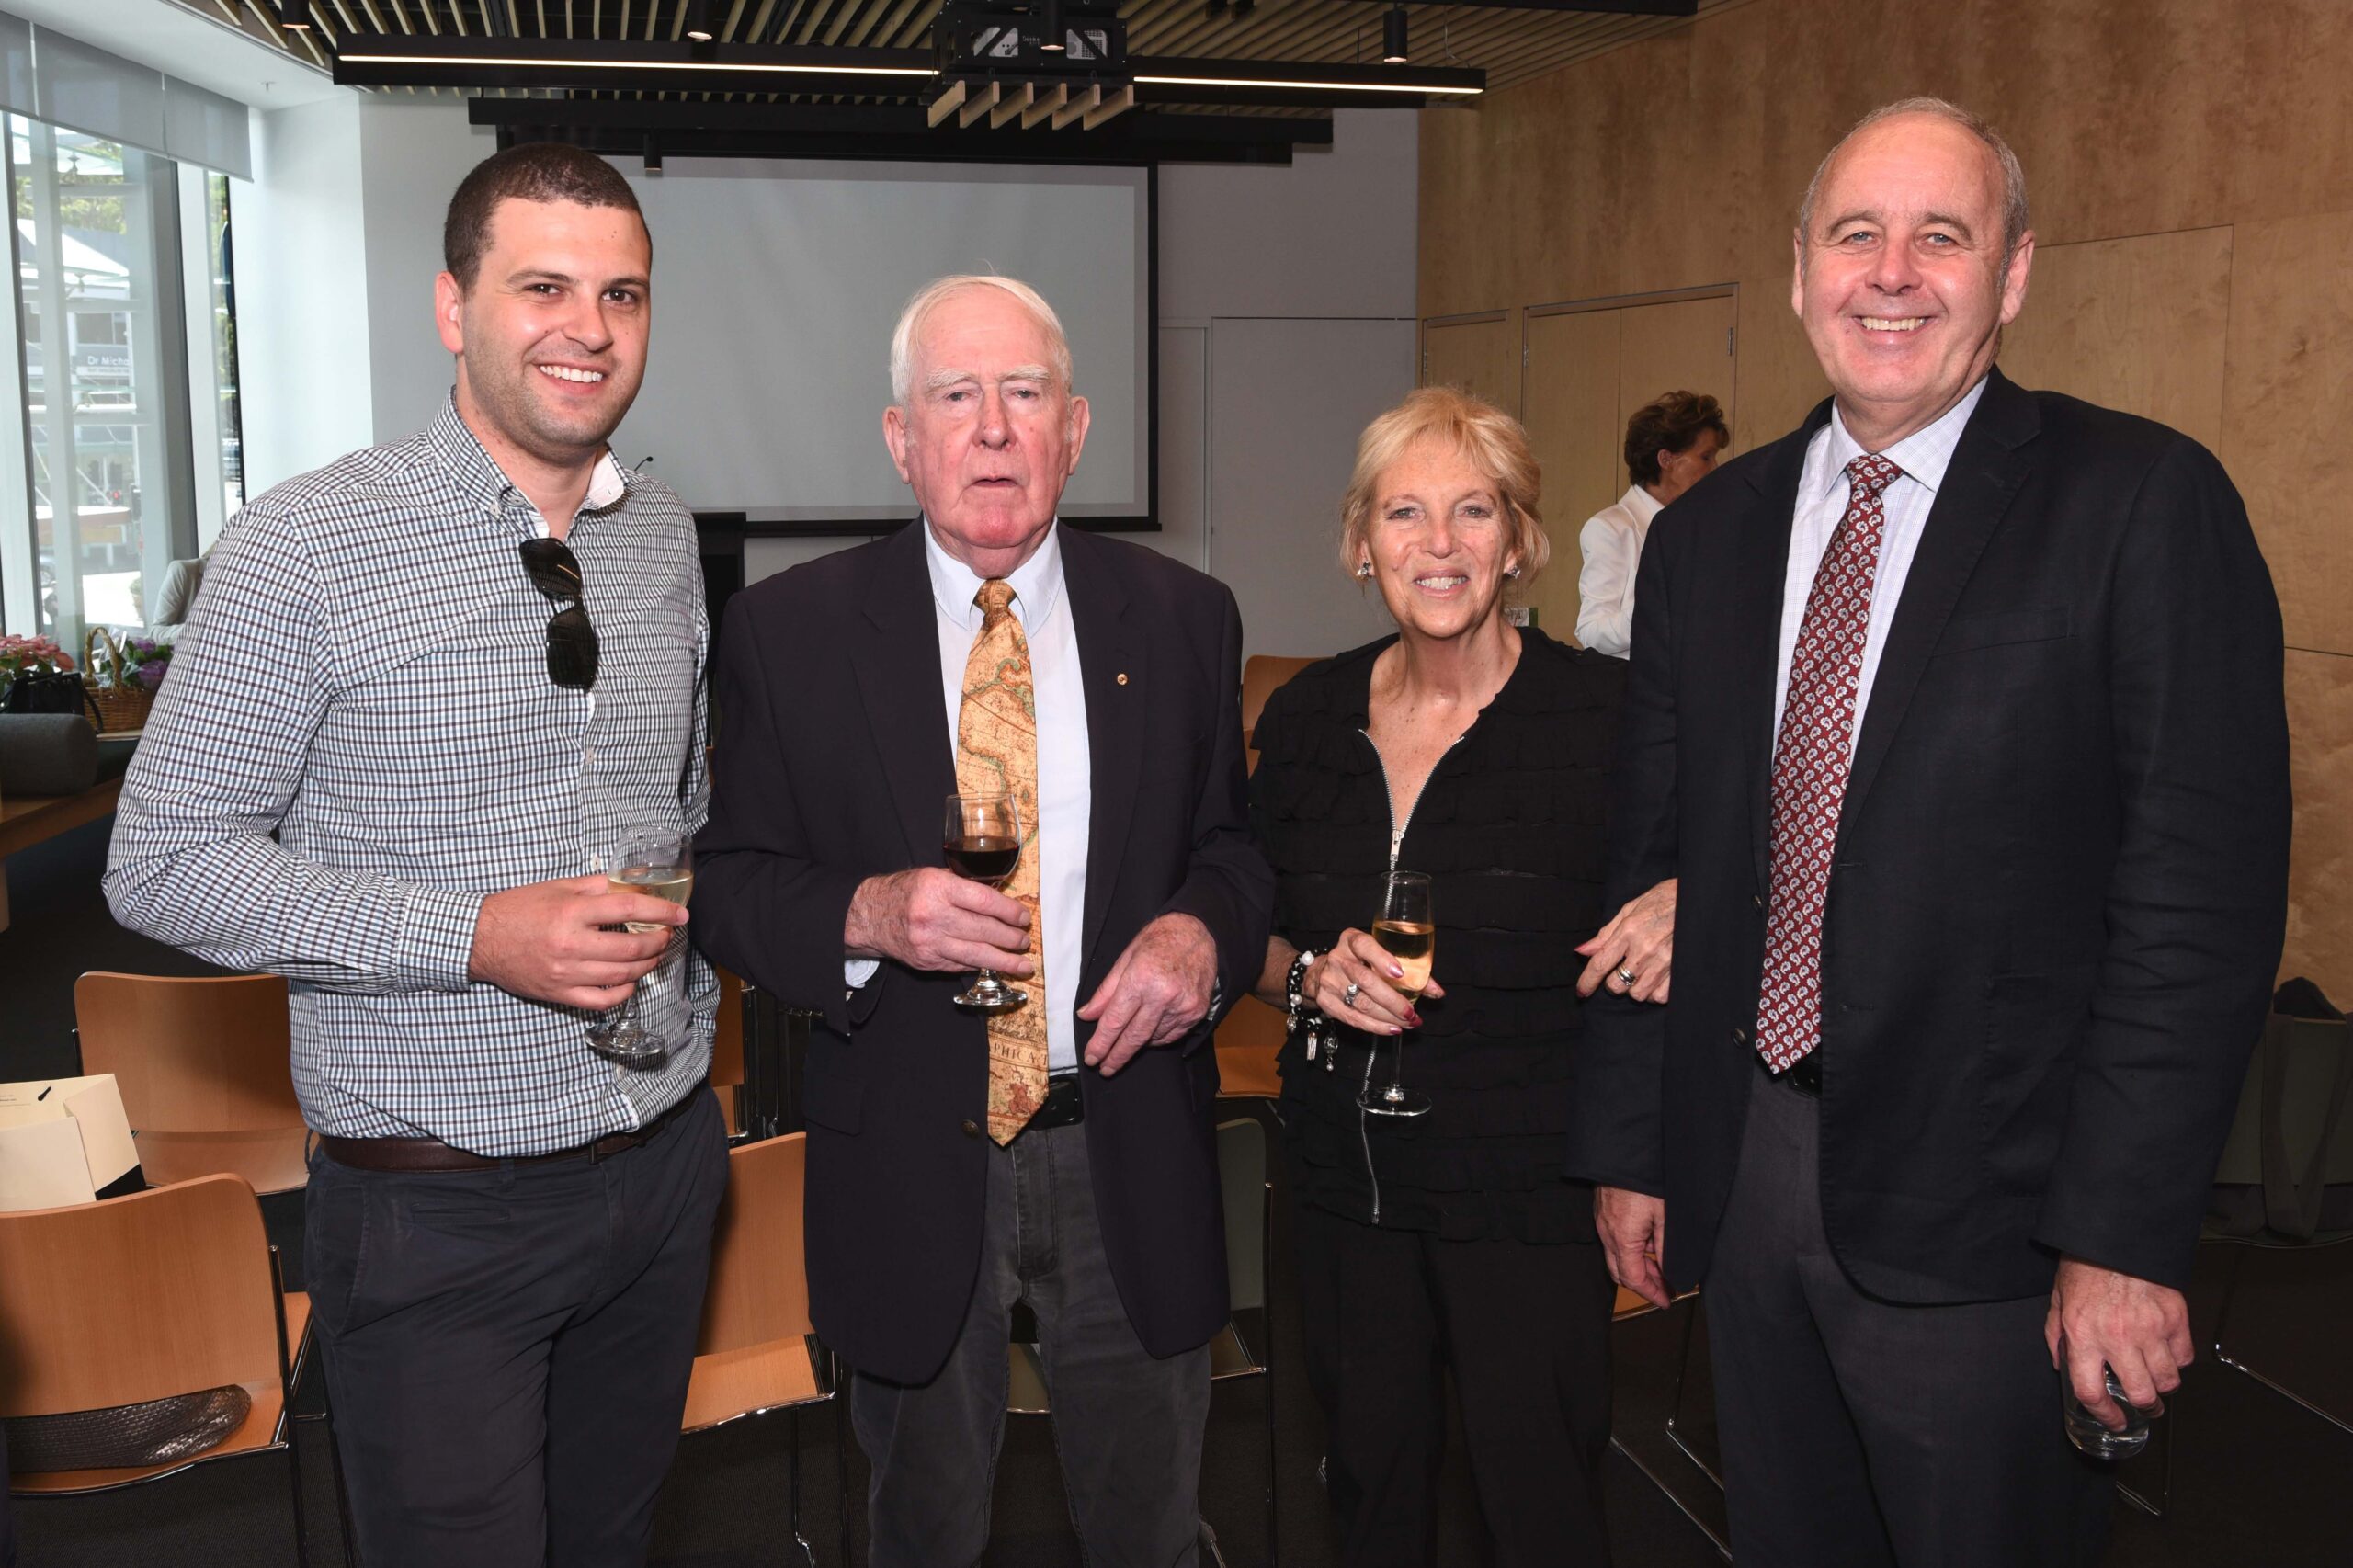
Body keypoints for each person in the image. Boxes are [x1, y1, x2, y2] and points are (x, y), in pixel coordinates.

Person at [1568, 97, 2290, 1567]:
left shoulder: (2141, 502)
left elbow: (2196, 909)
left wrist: (2122, 1237)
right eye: (1857, 234)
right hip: (1750, 1175)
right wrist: (1637, 1145)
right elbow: (1657, 864)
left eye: (1941, 236)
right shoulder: (1706, 538)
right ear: (1800, 270)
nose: (1891, 273)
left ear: (2012, 274)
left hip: (2000, 1221)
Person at [105, 142, 725, 1568]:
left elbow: (678, 806)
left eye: (622, 294)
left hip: (664, 1163)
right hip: (438, 1206)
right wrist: (474, 934)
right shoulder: (305, 545)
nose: (588, 327)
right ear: (453, 306)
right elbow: (162, 859)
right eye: (543, 287)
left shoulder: (662, 540)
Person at [692, 274, 1271, 1567]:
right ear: (902, 438)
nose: (995, 428)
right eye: (957, 396)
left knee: (1149, 1529)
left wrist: (1201, 934)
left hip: (1125, 1145)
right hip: (906, 1154)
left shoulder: (1184, 617)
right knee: (923, 1531)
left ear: (1077, 428)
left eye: (1025, 393)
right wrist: (867, 910)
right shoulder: (788, 630)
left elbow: (1232, 853)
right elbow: (727, 883)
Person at [1246, 386, 1669, 1567]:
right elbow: (1246, 929)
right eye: (1404, 512)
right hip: (1342, 1187)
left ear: (1519, 538)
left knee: (1539, 1509)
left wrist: (1690, 892)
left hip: (1526, 1191)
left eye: (1473, 510)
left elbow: (1712, 895)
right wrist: (1307, 976)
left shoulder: (1605, 717)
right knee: (1369, 1497)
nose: (1438, 543)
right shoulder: (1306, 717)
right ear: (1359, 541)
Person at [1574, 390, 1726, 658]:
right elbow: (1591, 633)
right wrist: (1658, 608)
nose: (1715, 468)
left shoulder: (1705, 528)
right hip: (1636, 680)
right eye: (1706, 457)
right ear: (1666, 460)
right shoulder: (1610, 528)